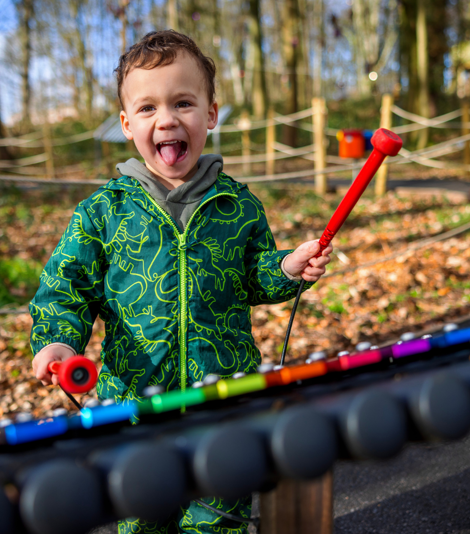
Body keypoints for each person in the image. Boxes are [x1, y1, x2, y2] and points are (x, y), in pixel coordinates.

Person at [29, 29, 332, 534]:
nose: (167, 119)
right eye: (147, 109)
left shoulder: (239, 206)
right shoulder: (104, 212)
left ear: (211, 115)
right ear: (126, 125)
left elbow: (254, 275)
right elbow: (66, 286)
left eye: (183, 102)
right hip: (134, 407)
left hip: (224, 400)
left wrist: (286, 269)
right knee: (142, 520)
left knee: (217, 521)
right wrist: (57, 340)